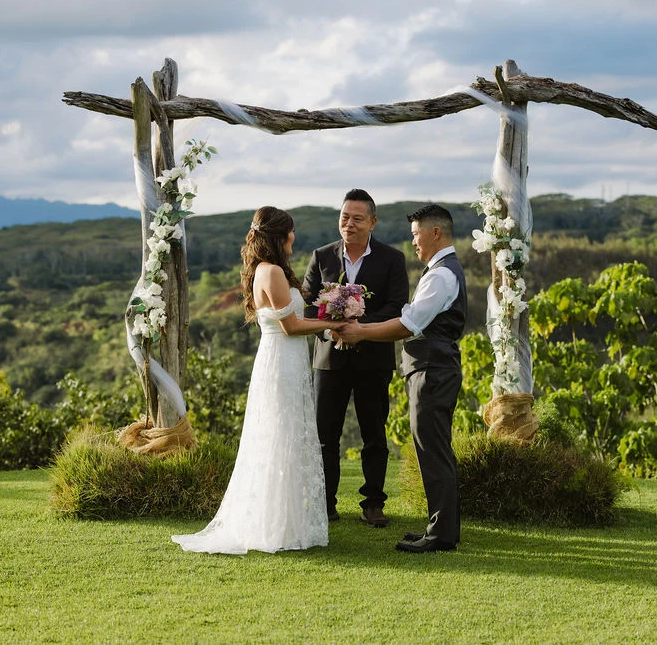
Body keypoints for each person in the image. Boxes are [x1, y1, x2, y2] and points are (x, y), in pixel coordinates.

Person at [172, 207, 343, 555]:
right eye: (291, 232)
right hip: (282, 362)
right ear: (279, 236)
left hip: (283, 360)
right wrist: (332, 325)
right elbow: (291, 326)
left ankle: (283, 522)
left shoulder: (264, 270)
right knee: (282, 436)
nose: (294, 237)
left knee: (284, 437)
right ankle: (276, 528)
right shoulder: (273, 272)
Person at [335, 204, 466, 553]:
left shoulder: (440, 275)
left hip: (433, 370)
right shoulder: (441, 270)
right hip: (432, 368)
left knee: (433, 450)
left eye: (416, 235)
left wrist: (360, 332)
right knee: (433, 449)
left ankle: (440, 536)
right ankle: (442, 529)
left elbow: (409, 324)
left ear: (435, 233)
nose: (414, 243)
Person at [303, 189, 409, 527]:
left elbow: (396, 306)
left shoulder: (393, 259)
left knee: (374, 435)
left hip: (373, 359)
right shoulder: (321, 256)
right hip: (329, 361)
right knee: (324, 437)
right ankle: (325, 503)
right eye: (344, 217)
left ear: (372, 222)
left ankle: (373, 504)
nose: (349, 223)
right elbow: (307, 306)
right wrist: (330, 330)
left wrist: (359, 327)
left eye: (357, 218)